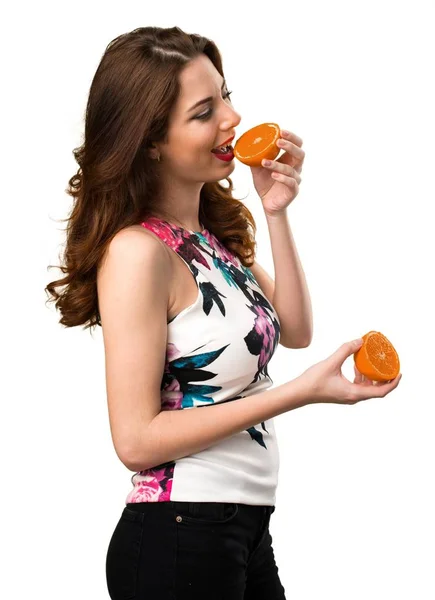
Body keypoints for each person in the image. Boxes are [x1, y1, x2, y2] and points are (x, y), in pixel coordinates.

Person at [45, 25, 402, 600]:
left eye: (227, 96)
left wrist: (275, 211)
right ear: (152, 141)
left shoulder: (209, 240)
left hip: (243, 529)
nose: (233, 119)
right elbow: (135, 441)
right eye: (204, 110)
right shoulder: (139, 252)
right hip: (179, 533)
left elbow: (297, 330)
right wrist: (298, 394)